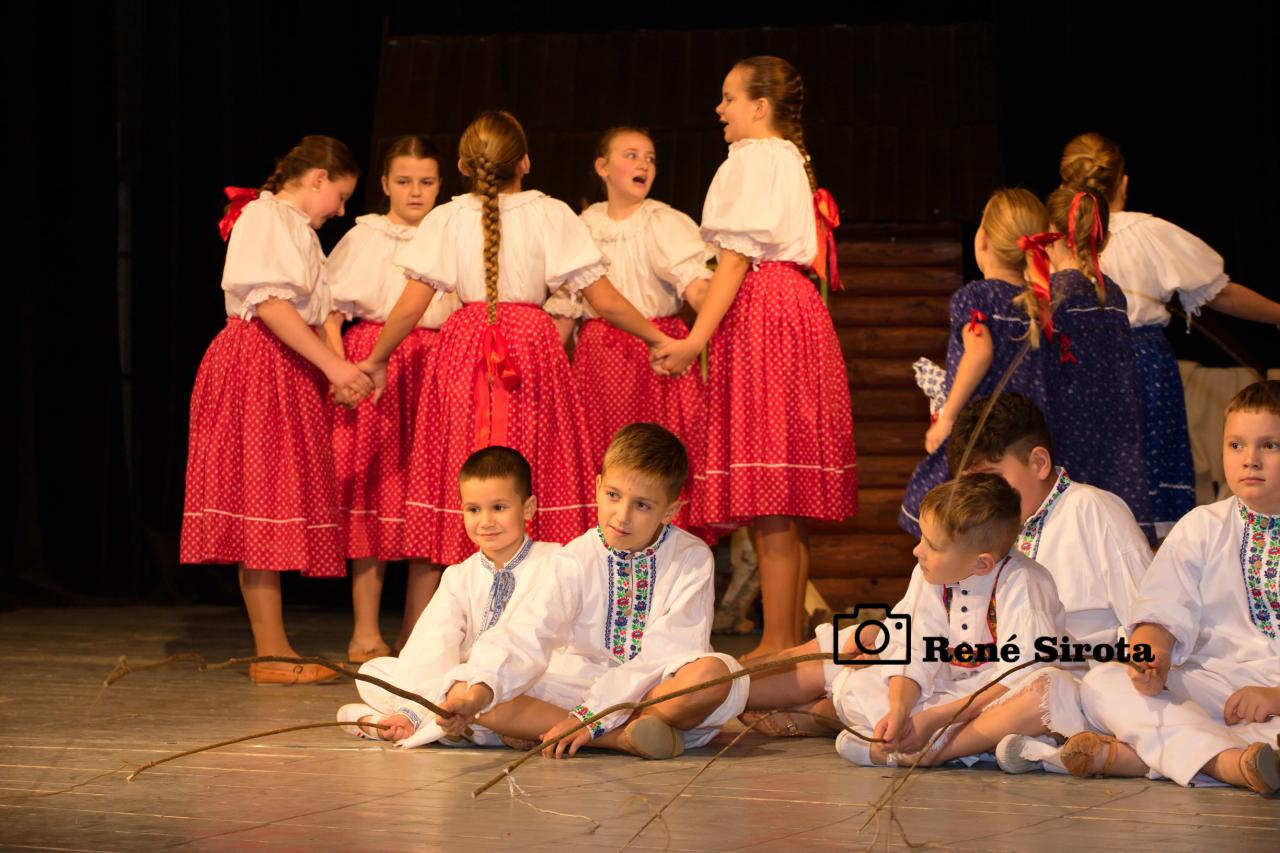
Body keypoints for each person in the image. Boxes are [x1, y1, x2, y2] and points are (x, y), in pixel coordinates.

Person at [357, 110, 673, 566]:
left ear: (464, 166)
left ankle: (463, 578)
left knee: (469, 458)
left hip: (465, 347)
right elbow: (605, 300)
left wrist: (377, 359)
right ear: (524, 162)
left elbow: (410, 306)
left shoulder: (448, 217)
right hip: (530, 347)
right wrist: (656, 338)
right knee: (530, 458)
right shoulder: (550, 214)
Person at [651, 56, 858, 658]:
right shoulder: (787, 157)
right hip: (791, 308)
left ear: (760, 106)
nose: (720, 109)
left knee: (772, 488)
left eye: (730, 97)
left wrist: (694, 340)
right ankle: (785, 639)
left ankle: (776, 642)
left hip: (765, 312)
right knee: (784, 494)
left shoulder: (754, 158)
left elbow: (735, 260)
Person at [435, 423, 747, 759]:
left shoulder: (691, 557)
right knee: (473, 688)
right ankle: (623, 738)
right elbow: (528, 631)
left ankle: (593, 729)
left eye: (642, 505)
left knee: (711, 676)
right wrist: (479, 694)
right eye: (613, 495)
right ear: (598, 487)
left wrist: (591, 716)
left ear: (670, 511)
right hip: (580, 688)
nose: (622, 516)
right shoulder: (573, 558)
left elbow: (669, 652)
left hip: (655, 689)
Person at [180, 135, 368, 685]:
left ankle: (275, 648)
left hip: (282, 365)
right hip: (258, 363)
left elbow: (311, 315)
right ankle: (270, 654)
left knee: (270, 500)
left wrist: (334, 369)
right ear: (317, 178)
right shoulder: (266, 218)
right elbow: (271, 304)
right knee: (260, 499)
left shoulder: (293, 228)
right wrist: (332, 367)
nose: (340, 209)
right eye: (339, 195)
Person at [1060, 133, 1280, 538]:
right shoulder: (1147, 232)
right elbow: (1220, 293)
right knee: (1151, 485)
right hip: (1143, 366)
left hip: (1077, 371)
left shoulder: (1056, 238)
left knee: (1091, 489)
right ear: (1124, 183)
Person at [1070, 380, 1280, 794]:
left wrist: (1275, 696)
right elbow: (1160, 614)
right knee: (1101, 685)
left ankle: (1162, 755)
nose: (1250, 460)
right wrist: (1150, 659)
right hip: (1215, 687)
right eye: (1236, 445)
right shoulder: (1202, 525)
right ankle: (1231, 763)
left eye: (1270, 446)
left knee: (1158, 720)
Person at [326, 135, 460, 660]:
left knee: (431, 493)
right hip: (373, 362)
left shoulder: (452, 231)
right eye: (404, 181)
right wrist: (342, 369)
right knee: (374, 493)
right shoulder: (366, 237)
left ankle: (416, 633)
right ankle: (365, 630)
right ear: (384, 184)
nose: (415, 192)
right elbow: (330, 313)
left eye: (426, 182)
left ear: (440, 184)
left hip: (438, 364)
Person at [337, 446, 559, 746]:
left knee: (545, 682)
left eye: (499, 507)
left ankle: (388, 723)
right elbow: (435, 641)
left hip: (523, 684)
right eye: (474, 510)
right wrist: (416, 706)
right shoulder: (459, 575)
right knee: (373, 672)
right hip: (459, 685)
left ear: (528, 508)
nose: (486, 521)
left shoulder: (553, 562)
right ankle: (447, 724)